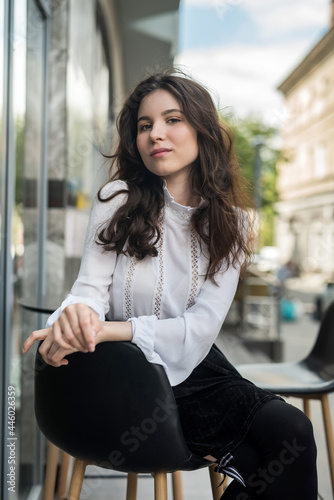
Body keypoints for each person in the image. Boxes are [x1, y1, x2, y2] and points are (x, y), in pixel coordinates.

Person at [23, 70, 317, 499]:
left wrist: (112, 328)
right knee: (268, 456)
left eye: (172, 120)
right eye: (145, 125)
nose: (155, 134)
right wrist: (76, 318)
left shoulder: (232, 225)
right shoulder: (117, 200)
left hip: (196, 366)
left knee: (291, 434)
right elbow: (88, 288)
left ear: (201, 130)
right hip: (129, 376)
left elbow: (199, 330)